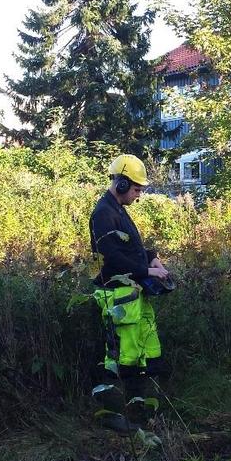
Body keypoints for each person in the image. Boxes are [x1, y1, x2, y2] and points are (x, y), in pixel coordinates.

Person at [88, 154, 171, 432]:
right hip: (117, 297)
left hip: (132, 295)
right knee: (118, 358)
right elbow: (111, 256)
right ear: (121, 183)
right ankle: (111, 416)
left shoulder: (119, 210)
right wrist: (147, 272)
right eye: (136, 189)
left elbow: (129, 248)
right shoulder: (103, 213)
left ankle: (140, 412)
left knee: (138, 356)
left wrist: (151, 258)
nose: (138, 195)